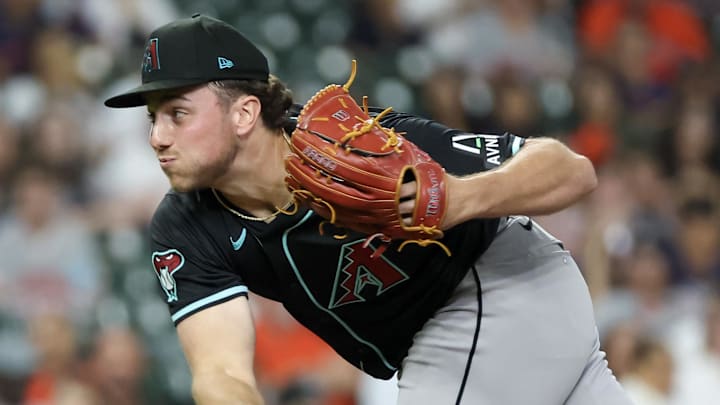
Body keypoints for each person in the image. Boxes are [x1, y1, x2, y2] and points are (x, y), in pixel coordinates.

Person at [103, 14, 634, 405]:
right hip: (453, 341)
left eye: (177, 113)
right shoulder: (184, 225)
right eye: (153, 118)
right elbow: (221, 372)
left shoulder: (356, 143)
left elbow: (572, 170)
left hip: (497, 280)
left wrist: (457, 197)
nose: (157, 137)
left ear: (244, 113)